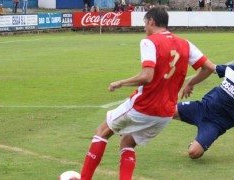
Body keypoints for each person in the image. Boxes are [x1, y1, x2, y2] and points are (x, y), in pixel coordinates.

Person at [79, 6, 215, 180]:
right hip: (166, 113)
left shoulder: (150, 41)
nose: (144, 28)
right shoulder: (185, 44)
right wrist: (190, 83)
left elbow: (147, 76)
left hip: (144, 106)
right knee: (127, 142)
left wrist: (121, 82)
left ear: (151, 21)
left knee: (102, 131)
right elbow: (209, 67)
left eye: (145, 23)